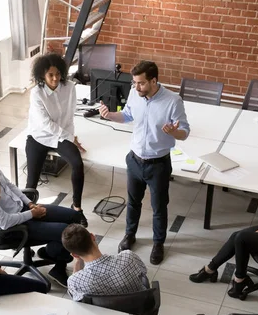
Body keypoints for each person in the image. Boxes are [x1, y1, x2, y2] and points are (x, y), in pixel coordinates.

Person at [99, 60, 190, 265]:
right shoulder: (135, 93)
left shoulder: (173, 101)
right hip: (134, 160)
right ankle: (130, 235)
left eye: (140, 83)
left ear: (153, 81)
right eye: (134, 83)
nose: (136, 87)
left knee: (159, 207)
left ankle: (158, 243)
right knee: (133, 202)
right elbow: (128, 115)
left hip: (158, 163)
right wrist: (110, 116)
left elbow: (184, 132)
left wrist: (173, 132)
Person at [0, 140, 82, 287]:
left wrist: (30, 204)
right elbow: (4, 222)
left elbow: (9, 186)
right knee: (66, 232)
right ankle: (58, 267)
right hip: (12, 227)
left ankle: (51, 252)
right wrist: (32, 214)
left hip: (23, 209)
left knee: (73, 216)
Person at [26, 53, 88, 227]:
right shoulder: (36, 93)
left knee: (77, 164)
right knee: (32, 180)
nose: (55, 78)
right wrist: (70, 138)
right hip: (39, 136)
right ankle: (28, 213)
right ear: (42, 76)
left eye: (58, 74)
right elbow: (45, 124)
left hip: (61, 134)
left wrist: (71, 136)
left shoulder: (69, 87)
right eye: (50, 75)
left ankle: (77, 208)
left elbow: (69, 116)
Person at [62, 224, 148, 301]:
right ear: (92, 237)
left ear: (75, 255)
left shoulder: (75, 281)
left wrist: (77, 262)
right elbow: (143, 272)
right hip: (141, 307)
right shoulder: (128, 256)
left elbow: (76, 298)